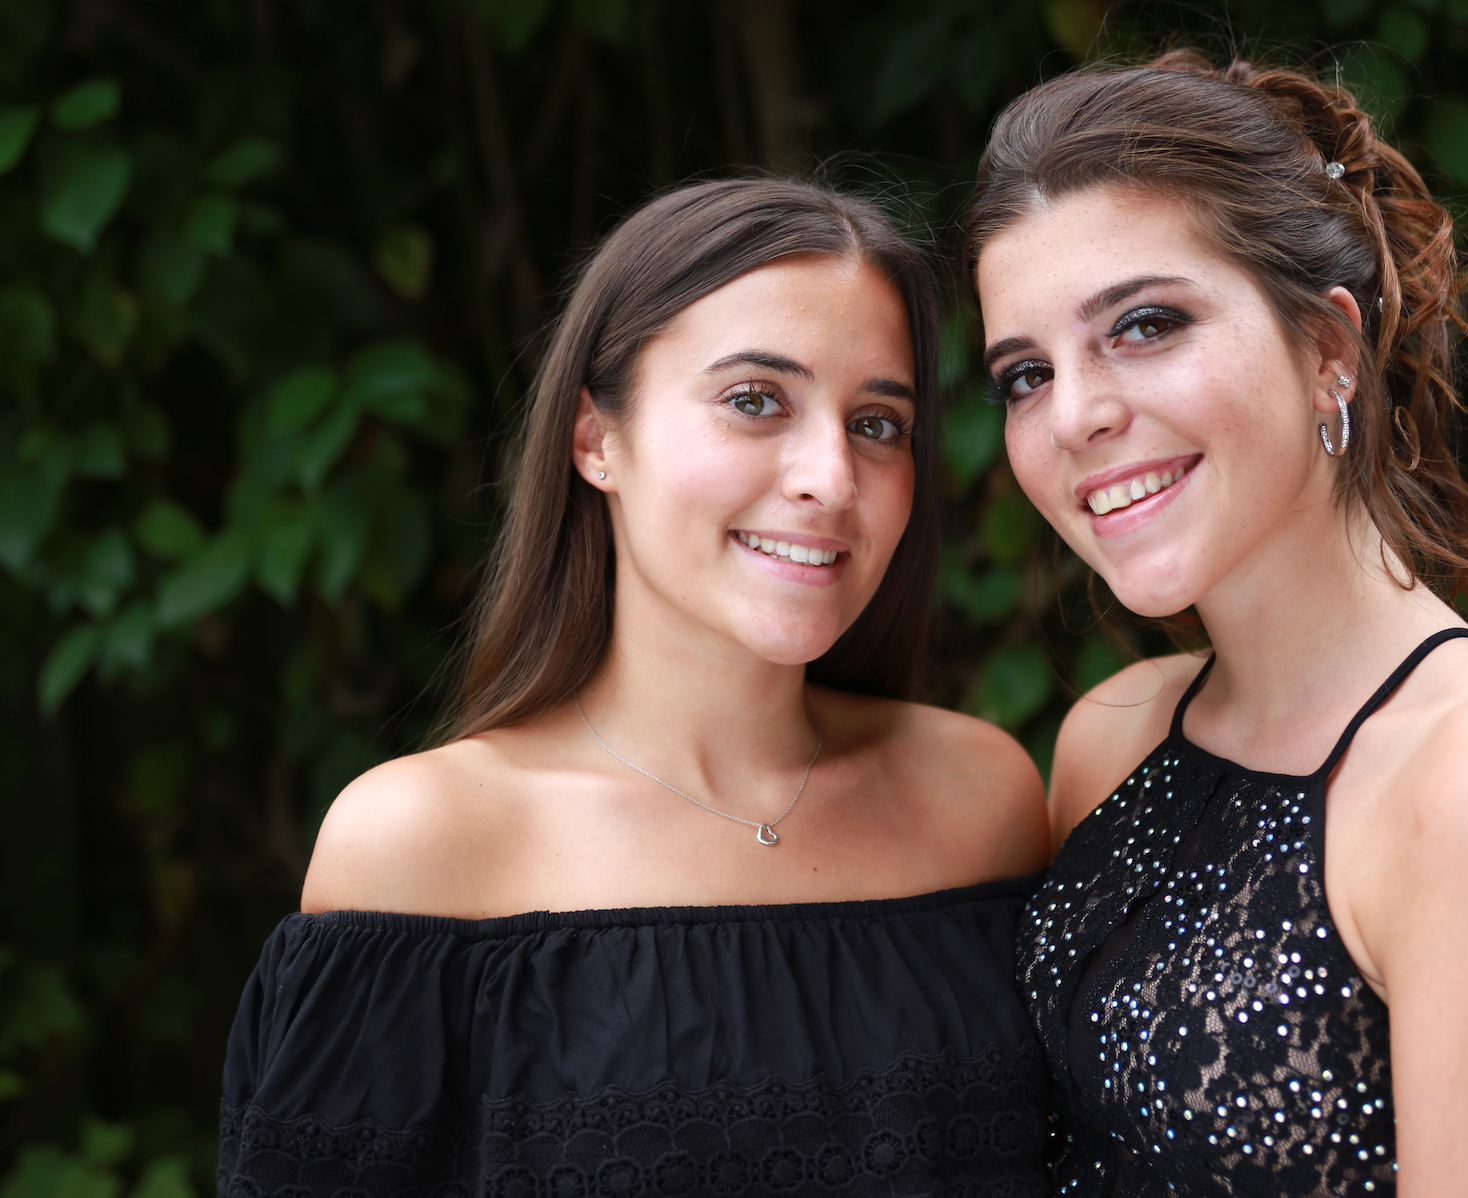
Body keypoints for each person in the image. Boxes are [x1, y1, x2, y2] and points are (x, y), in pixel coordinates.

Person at [217, 178, 1052, 1198]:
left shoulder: (980, 798)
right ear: (594, 439)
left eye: (878, 423)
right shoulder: (423, 841)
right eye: (756, 400)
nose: (830, 477)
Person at [967, 52, 1468, 1197]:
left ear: (1330, 350)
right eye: (1025, 374)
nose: (1077, 414)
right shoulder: (1112, 737)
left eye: (1142, 324)